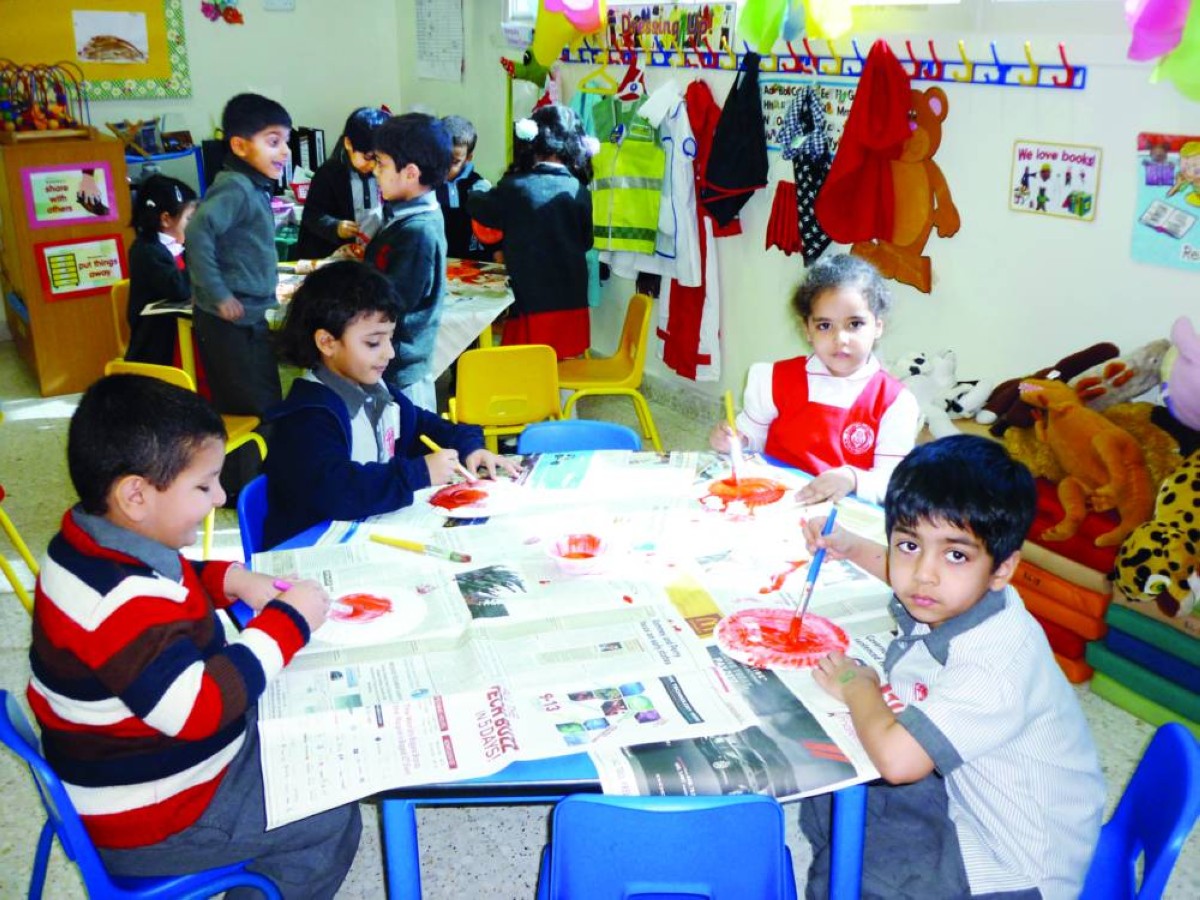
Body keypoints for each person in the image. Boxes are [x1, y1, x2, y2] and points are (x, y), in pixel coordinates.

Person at [27, 374, 360, 898]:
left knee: (304, 715)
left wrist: (230, 580)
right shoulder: (119, 604)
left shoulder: (92, 541)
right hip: (158, 815)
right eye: (204, 486)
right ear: (135, 495)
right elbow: (199, 708)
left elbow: (170, 580)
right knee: (331, 811)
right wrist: (288, 622)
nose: (220, 497)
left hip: (142, 769)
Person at [799, 435, 1105, 900]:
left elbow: (899, 763)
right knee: (833, 785)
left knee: (849, 868)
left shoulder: (995, 664)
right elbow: (909, 575)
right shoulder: (969, 594)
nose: (924, 574)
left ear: (1002, 569)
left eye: (956, 554)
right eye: (908, 544)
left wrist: (857, 684)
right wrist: (850, 546)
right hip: (969, 795)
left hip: (1013, 867)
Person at [263, 260, 517, 549]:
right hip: (312, 551)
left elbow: (428, 427)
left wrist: (471, 448)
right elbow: (338, 492)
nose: (389, 353)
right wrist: (417, 474)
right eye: (373, 343)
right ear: (327, 342)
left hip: (362, 534)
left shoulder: (377, 393)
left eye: (390, 339)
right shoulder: (307, 417)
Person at [709, 253, 919, 505]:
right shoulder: (772, 379)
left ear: (878, 327)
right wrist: (735, 440)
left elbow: (892, 482)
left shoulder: (895, 402)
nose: (840, 339)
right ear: (807, 330)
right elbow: (751, 437)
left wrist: (852, 478)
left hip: (843, 517)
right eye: (824, 326)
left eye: (854, 324)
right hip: (775, 505)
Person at [187, 92, 291, 420]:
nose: (285, 151)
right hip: (230, 321)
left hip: (247, 317)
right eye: (273, 141)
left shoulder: (253, 185)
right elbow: (197, 233)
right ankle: (255, 454)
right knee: (253, 407)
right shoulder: (236, 187)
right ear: (240, 146)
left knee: (263, 398)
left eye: (286, 141)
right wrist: (219, 294)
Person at [467, 103, 595, 360]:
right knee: (564, 365)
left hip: (530, 300)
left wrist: (478, 191)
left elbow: (481, 210)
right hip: (571, 301)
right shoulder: (579, 190)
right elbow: (586, 241)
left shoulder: (516, 186)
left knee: (526, 365)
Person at [363, 112, 452, 410]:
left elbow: (392, 302)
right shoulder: (403, 215)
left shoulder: (418, 231)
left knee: (404, 433)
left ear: (411, 173)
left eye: (382, 164)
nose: (375, 171)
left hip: (398, 366)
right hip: (389, 360)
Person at [295, 106, 391, 260]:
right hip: (334, 257)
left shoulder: (384, 173)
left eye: (378, 159)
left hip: (370, 255)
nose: (373, 165)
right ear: (348, 144)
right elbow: (312, 215)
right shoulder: (329, 173)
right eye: (367, 157)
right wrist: (336, 227)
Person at [126, 174, 197, 366]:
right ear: (166, 219)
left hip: (180, 336)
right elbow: (178, 288)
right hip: (158, 347)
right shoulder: (146, 251)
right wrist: (202, 261)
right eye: (189, 219)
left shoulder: (177, 246)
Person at [435, 115, 496, 261]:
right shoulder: (426, 188)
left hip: (474, 267)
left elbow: (494, 237)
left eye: (454, 162)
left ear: (468, 158)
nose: (445, 167)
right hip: (439, 265)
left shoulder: (480, 188)